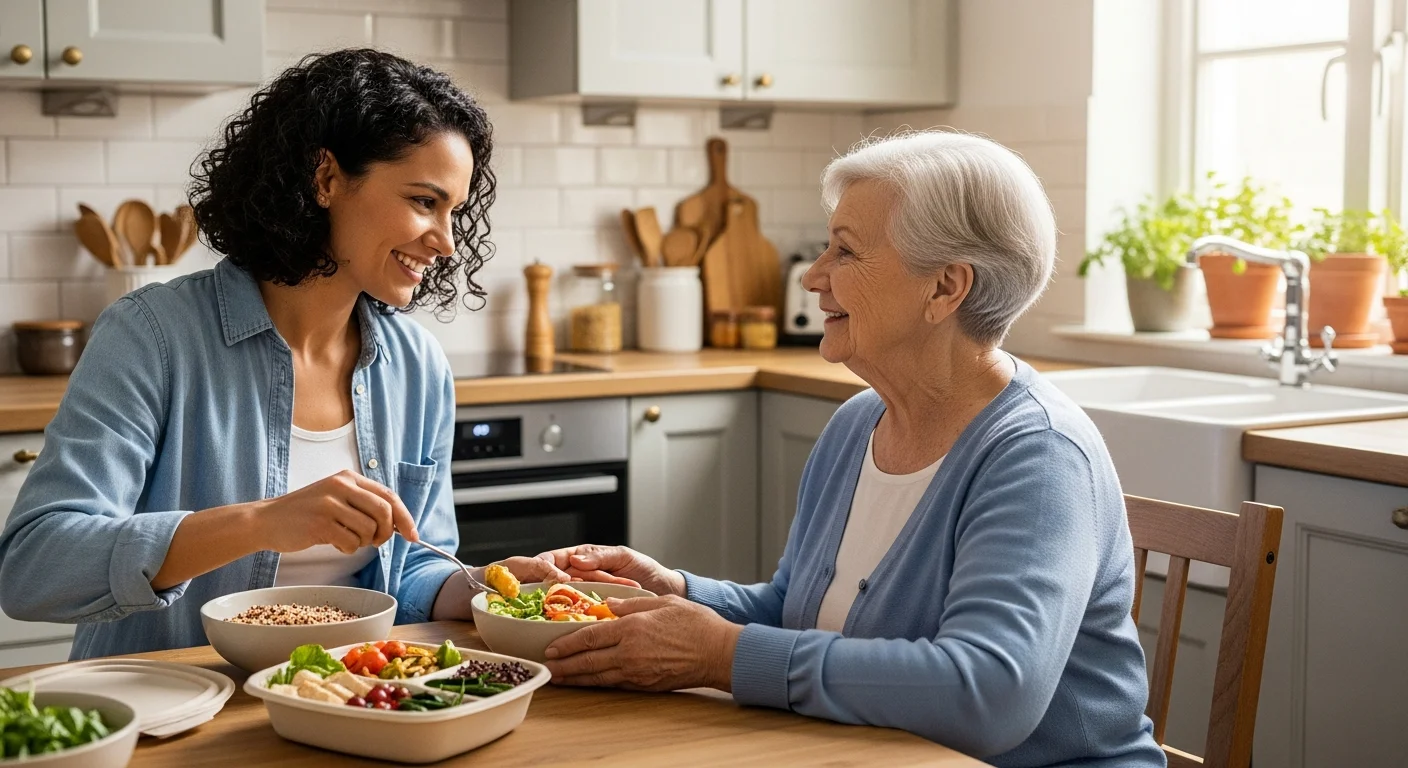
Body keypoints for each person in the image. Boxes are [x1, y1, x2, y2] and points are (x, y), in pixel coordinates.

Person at [535, 131, 1165, 767]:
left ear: (946, 288)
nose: (813, 277)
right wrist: (675, 589)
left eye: (846, 252)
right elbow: (800, 610)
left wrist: (723, 655)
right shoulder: (858, 423)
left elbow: (990, 693)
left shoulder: (1038, 456)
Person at [0, 48, 565, 660]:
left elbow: (410, 574)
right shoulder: (151, 336)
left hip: (347, 697)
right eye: (424, 201)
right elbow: (34, 567)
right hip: (179, 708)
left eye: (454, 210)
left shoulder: (418, 365)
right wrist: (261, 522)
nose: (448, 242)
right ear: (325, 179)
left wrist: (485, 587)